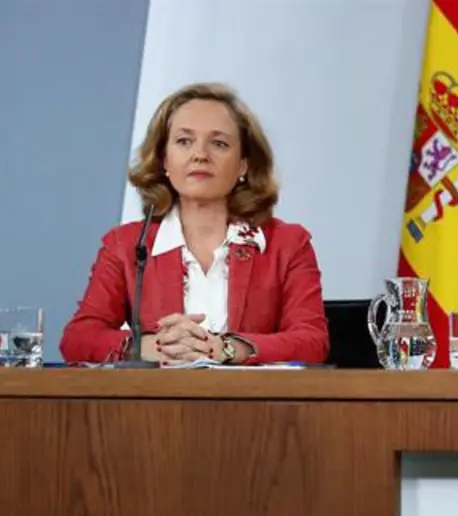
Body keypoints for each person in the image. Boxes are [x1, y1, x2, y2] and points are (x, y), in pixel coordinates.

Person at [60, 82, 329, 365]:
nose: (200, 155)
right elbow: (78, 340)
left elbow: (312, 342)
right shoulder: (126, 245)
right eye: (184, 141)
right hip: (155, 407)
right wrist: (151, 346)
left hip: (255, 407)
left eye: (219, 143)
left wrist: (223, 348)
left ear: (243, 165)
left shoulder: (287, 244)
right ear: (164, 158)